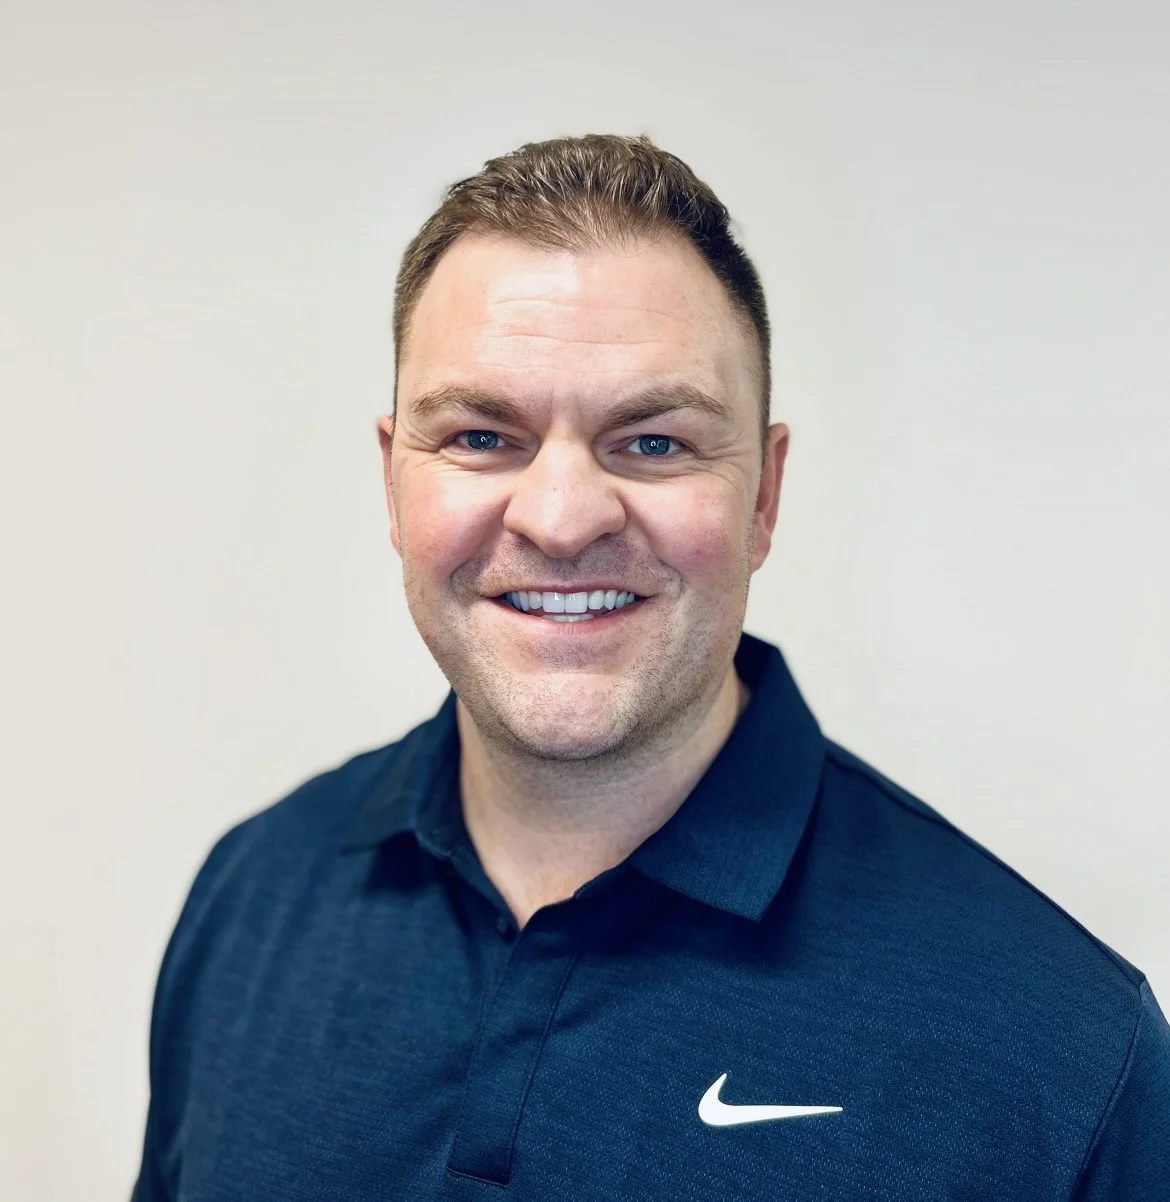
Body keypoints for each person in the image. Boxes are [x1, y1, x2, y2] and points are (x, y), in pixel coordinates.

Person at [131, 134, 1169, 1201]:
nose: (562, 517)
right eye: (482, 436)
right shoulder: (252, 897)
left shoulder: (1062, 1051)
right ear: (394, 481)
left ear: (763, 497)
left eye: (655, 442)